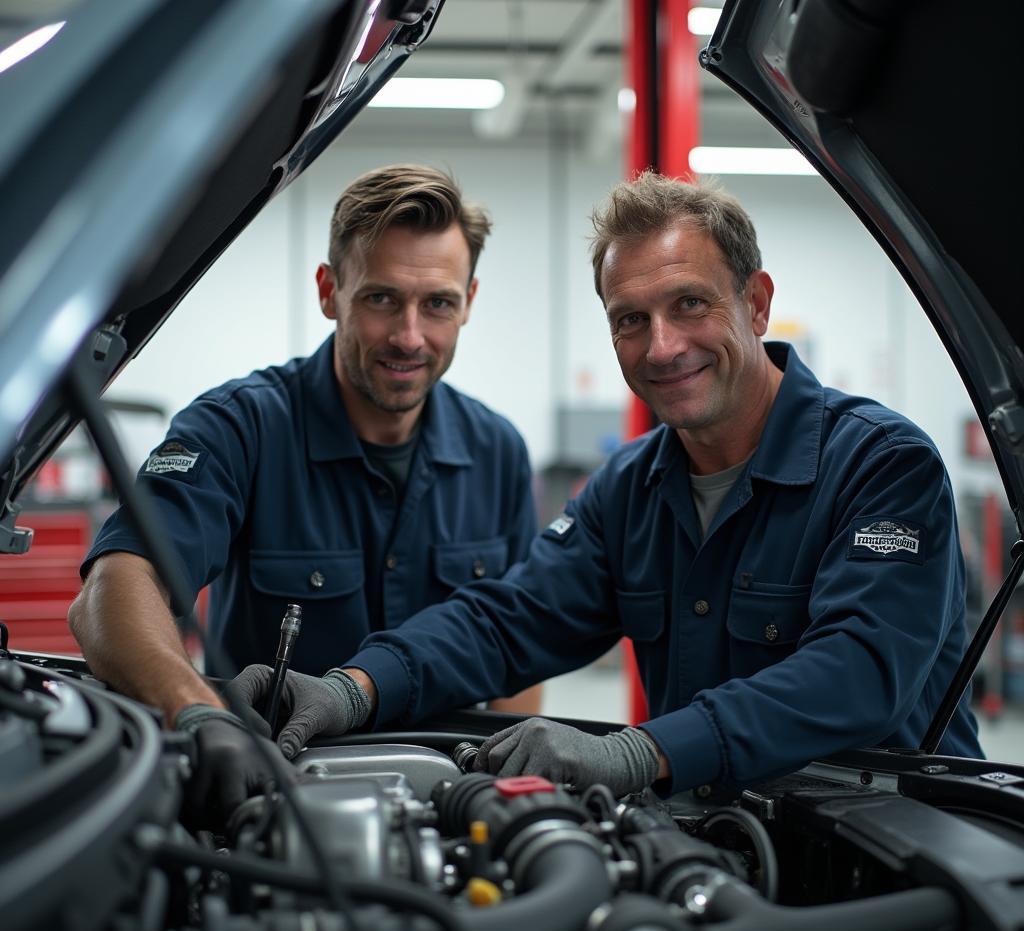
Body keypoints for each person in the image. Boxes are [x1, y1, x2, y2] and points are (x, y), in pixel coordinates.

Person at [229, 171, 984, 797]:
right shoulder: (631, 487)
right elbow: (506, 620)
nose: (663, 346)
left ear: (755, 304)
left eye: (690, 303)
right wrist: (351, 689)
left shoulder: (883, 466)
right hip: (719, 842)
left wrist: (636, 754)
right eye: (630, 319)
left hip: (897, 855)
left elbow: (856, 676)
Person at [69, 164, 542, 821]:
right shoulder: (239, 427)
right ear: (330, 291)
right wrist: (198, 713)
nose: (410, 336)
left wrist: (502, 786)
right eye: (380, 299)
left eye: (437, 303)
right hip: (272, 797)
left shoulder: (499, 452)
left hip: (447, 801)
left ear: (469, 300)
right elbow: (115, 588)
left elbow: (521, 646)